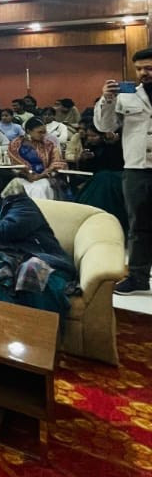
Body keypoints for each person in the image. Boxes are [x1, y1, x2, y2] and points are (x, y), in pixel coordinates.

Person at [0, 166, 78, 315]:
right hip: (12, 255)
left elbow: (8, 230)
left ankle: (44, 324)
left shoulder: (22, 205)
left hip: (41, 257)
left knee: (30, 271)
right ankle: (7, 319)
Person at [95, 50, 152, 294]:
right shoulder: (127, 96)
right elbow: (105, 126)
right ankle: (138, 277)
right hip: (137, 168)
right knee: (138, 226)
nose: (143, 73)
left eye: (148, 68)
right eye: (139, 69)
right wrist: (107, 99)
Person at [8, 117, 66, 200]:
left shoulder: (49, 145)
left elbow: (57, 162)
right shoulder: (15, 144)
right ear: (28, 131)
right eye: (40, 132)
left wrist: (43, 174)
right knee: (17, 187)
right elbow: (14, 165)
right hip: (23, 177)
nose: (43, 135)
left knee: (39, 189)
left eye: (44, 132)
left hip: (44, 177)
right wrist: (28, 175)